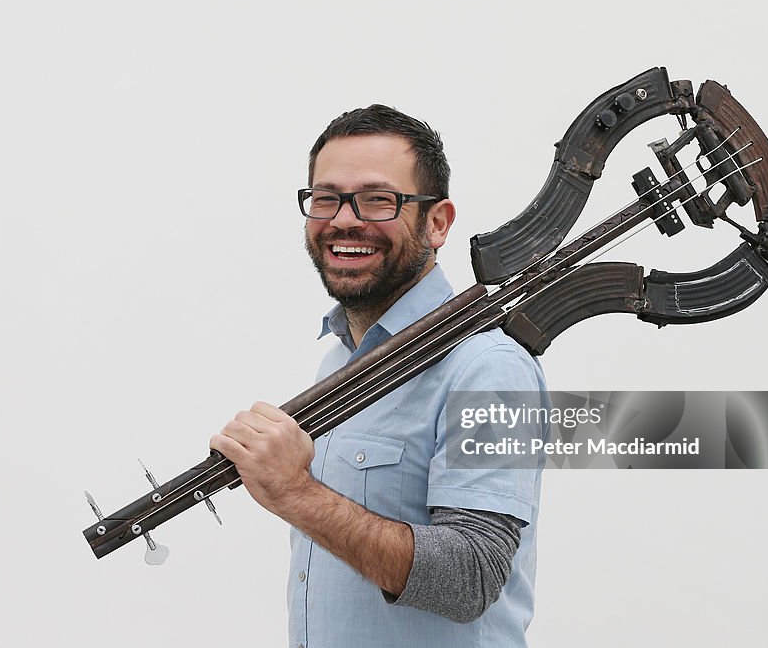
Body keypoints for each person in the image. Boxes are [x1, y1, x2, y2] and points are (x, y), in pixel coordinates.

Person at [210, 105, 548, 647]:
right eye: (326, 198)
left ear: (437, 223)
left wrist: (297, 492)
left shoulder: (490, 368)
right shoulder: (340, 359)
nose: (344, 219)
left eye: (377, 199)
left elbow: (471, 576)